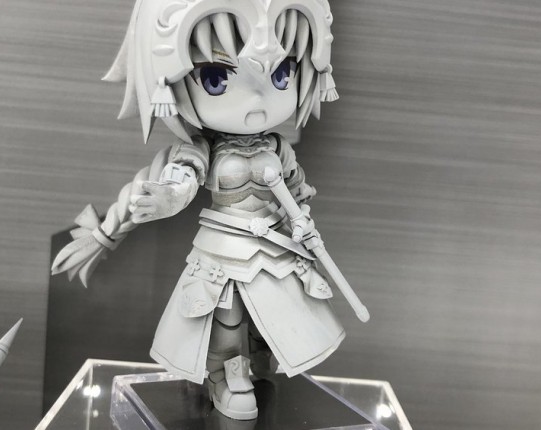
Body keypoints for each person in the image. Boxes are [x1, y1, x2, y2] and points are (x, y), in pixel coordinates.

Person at [52, 0, 347, 420]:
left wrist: (303, 220)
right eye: (216, 78)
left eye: (283, 74)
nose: (258, 100)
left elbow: (297, 189)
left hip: (277, 243)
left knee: (277, 310)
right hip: (225, 250)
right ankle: (227, 374)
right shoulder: (204, 149)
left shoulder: (277, 147)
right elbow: (181, 177)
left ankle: (262, 359)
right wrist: (167, 199)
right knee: (227, 313)